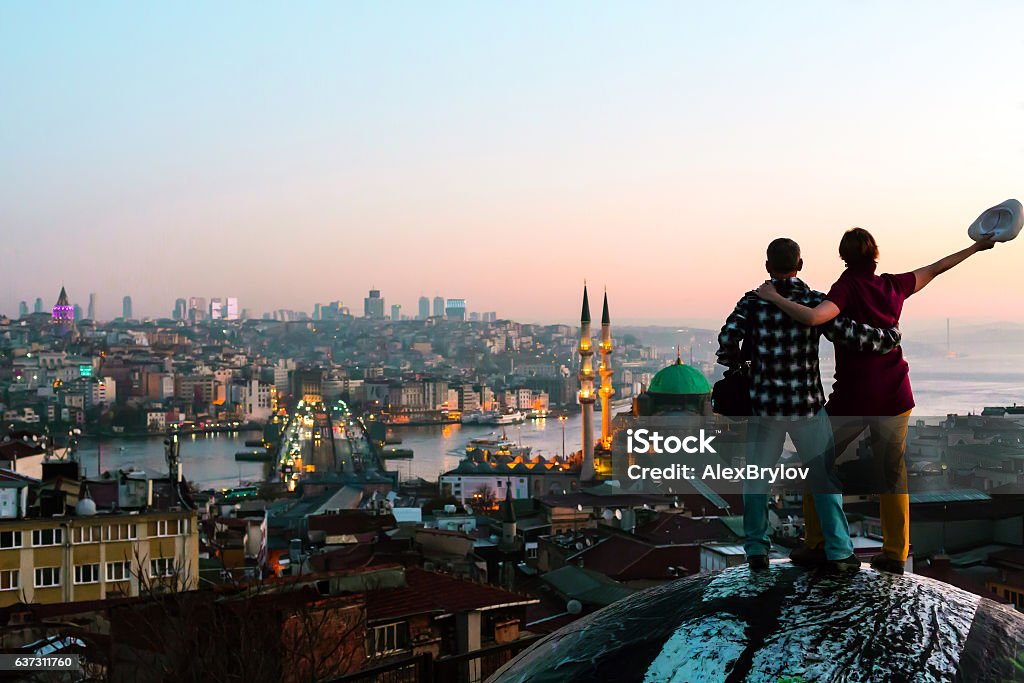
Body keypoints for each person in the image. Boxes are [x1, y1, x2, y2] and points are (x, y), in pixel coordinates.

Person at [756, 229, 996, 573]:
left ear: (843, 256)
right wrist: (976, 246)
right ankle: (895, 554)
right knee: (892, 475)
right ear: (875, 255)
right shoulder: (893, 286)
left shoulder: (845, 288)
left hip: (852, 400)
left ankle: (818, 543)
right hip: (896, 396)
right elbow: (938, 267)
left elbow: (812, 318)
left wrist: (773, 297)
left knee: (818, 464)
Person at [717, 237, 903, 573]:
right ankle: (839, 552)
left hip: (766, 408)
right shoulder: (813, 302)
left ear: (767, 266)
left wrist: (738, 366)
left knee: (757, 478)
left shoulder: (752, 302)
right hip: (806, 406)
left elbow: (728, 337)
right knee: (824, 479)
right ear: (799, 265)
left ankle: (756, 551)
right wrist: (889, 336)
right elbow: (852, 334)